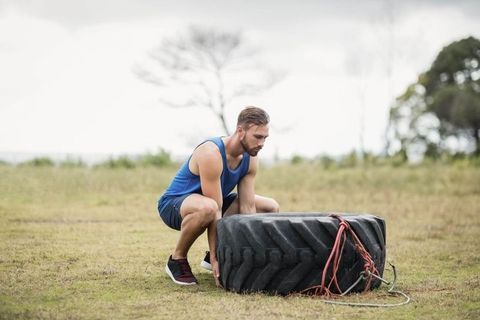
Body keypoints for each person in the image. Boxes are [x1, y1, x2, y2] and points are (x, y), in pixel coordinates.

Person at [157, 106, 280, 286]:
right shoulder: (211, 153)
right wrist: (216, 258)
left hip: (213, 204)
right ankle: (177, 259)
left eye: (265, 138)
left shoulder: (251, 157)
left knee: (270, 206)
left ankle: (222, 254)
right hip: (175, 205)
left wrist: (251, 254)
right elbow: (215, 210)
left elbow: (247, 208)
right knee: (209, 208)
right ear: (240, 131)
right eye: (258, 137)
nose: (262, 143)